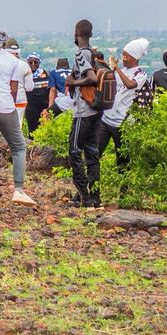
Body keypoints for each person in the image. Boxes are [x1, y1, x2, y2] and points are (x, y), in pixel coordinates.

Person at [0, 27, 35, 207]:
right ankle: (18, 190)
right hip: (5, 106)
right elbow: (13, 89)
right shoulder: (13, 61)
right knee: (18, 147)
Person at [97, 39, 150, 191]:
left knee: (123, 161)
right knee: (95, 155)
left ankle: (124, 194)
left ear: (135, 57)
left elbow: (130, 85)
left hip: (122, 124)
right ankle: (87, 190)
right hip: (106, 120)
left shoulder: (140, 73)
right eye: (123, 55)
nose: (124, 58)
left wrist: (117, 69)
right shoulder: (117, 70)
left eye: (127, 56)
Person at [65, 19, 102, 208]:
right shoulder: (95, 54)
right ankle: (95, 198)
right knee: (92, 154)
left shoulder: (81, 55)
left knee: (74, 151)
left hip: (83, 111)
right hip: (97, 110)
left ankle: (84, 198)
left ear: (77, 33)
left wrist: (73, 83)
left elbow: (92, 78)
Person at [24, 53, 51, 133]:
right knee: (32, 131)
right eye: (30, 62)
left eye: (35, 62)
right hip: (30, 107)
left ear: (39, 62)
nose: (33, 64)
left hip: (44, 107)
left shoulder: (46, 74)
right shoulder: (24, 74)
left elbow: (51, 90)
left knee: (45, 130)